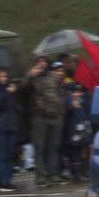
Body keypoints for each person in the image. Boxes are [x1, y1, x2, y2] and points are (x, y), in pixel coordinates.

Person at [20, 58, 67, 186]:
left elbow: (60, 93)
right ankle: (41, 175)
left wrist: (61, 111)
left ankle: (54, 173)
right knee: (39, 147)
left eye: (44, 61)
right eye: (39, 62)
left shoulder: (54, 76)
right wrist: (30, 76)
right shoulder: (31, 77)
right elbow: (22, 90)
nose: (42, 64)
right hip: (39, 116)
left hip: (56, 115)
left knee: (54, 146)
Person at [0, 66, 19, 192]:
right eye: (1, 76)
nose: (4, 79)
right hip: (0, 127)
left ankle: (9, 180)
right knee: (2, 155)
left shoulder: (7, 90)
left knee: (10, 154)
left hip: (10, 125)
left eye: (5, 76)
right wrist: (8, 93)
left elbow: (12, 106)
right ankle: (3, 182)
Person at [63, 83, 91, 181]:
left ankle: (82, 172)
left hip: (82, 132)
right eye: (74, 92)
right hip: (72, 133)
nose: (77, 94)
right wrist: (70, 103)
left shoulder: (84, 103)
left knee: (82, 153)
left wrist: (86, 132)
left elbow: (87, 117)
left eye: (79, 92)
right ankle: (75, 173)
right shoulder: (68, 103)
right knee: (73, 154)